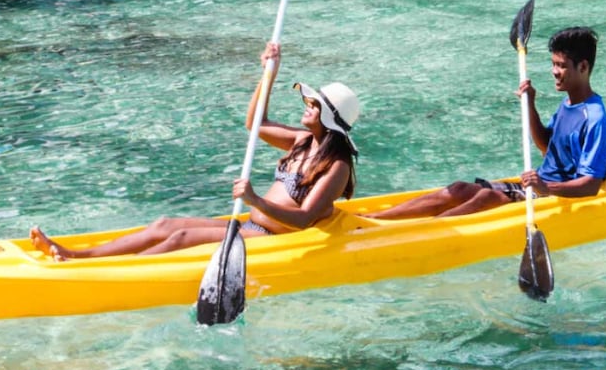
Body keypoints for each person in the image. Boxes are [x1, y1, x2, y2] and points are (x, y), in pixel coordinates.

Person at [30, 43, 360, 258]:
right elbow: (255, 123)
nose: (305, 108)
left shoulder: (336, 166)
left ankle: (93, 271)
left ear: (329, 118)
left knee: (181, 238)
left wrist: (256, 200)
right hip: (252, 226)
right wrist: (268, 75)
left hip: (275, 241)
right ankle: (79, 255)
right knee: (164, 225)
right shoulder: (302, 140)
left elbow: (304, 220)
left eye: (313, 106)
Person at [366, 26, 606, 221]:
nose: (554, 71)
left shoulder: (595, 117)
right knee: (461, 189)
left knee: (487, 198)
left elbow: (590, 185)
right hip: (538, 186)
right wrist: (529, 105)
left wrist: (546, 188)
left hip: (553, 194)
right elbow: (546, 146)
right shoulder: (568, 104)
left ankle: (422, 231)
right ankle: (375, 219)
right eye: (553, 64)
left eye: (561, 65)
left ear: (583, 67)